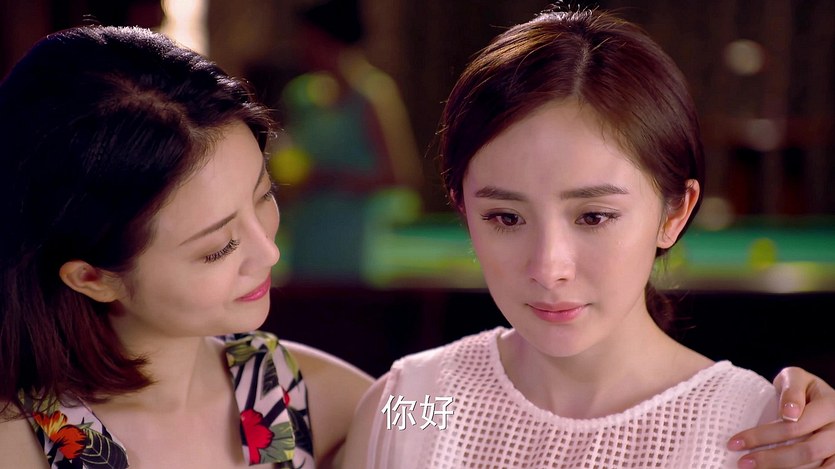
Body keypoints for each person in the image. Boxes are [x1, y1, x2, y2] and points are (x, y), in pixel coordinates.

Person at [343, 8, 835, 469]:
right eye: (506, 218)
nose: (548, 268)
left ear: (675, 212)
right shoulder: (413, 403)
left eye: (594, 216)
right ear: (464, 210)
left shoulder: (764, 433)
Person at [0, 26, 371, 469]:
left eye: (264, 195)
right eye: (218, 247)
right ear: (92, 277)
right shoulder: (15, 443)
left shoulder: (327, 402)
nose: (268, 253)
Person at [273, 0, 423, 283]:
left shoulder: (372, 96)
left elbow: (400, 174)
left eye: (308, 38)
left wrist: (328, 179)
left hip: (351, 243)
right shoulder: (301, 96)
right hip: (305, 237)